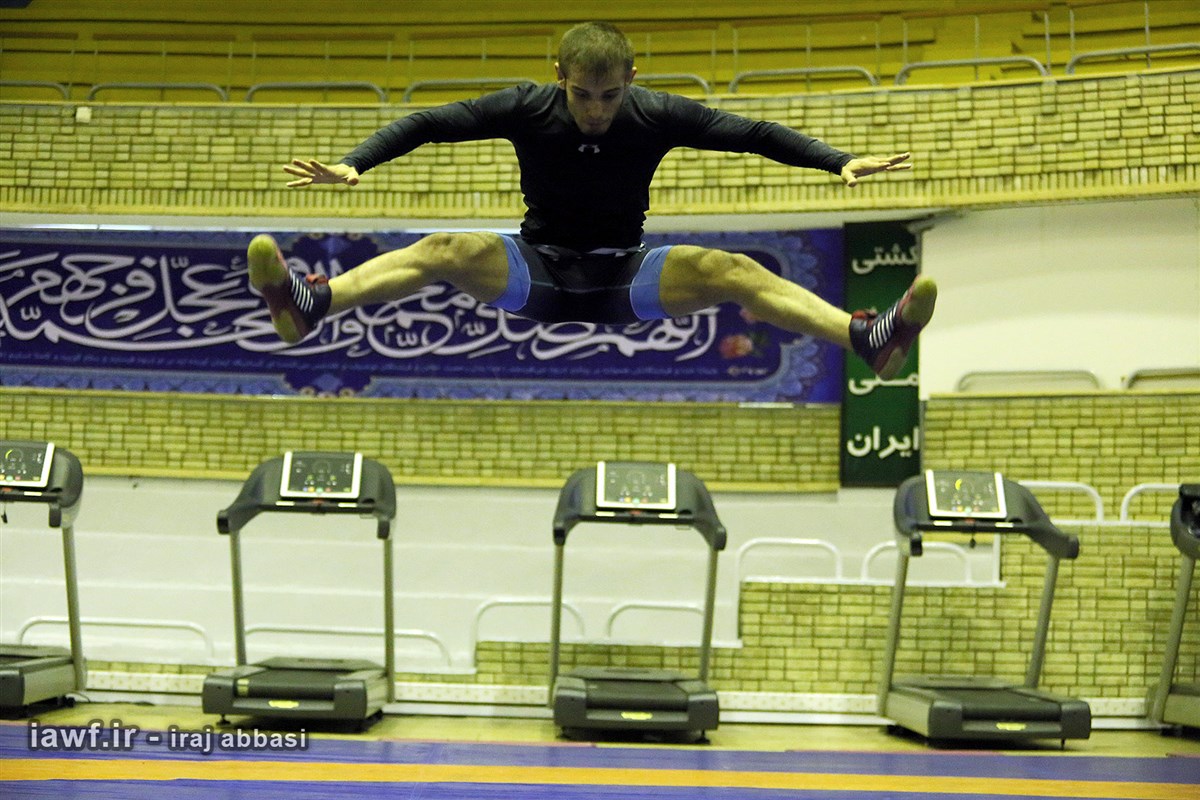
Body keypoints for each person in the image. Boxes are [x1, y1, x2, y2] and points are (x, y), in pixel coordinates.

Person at [250, 21, 935, 380]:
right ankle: (310, 304)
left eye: (610, 96)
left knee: (731, 269)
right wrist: (355, 162)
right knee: (444, 248)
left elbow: (751, 134)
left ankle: (866, 338)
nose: (596, 110)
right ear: (559, 77)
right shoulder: (526, 106)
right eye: (582, 95)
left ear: (632, 79)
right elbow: (432, 122)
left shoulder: (656, 113)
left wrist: (836, 160)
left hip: (623, 276)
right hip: (536, 270)